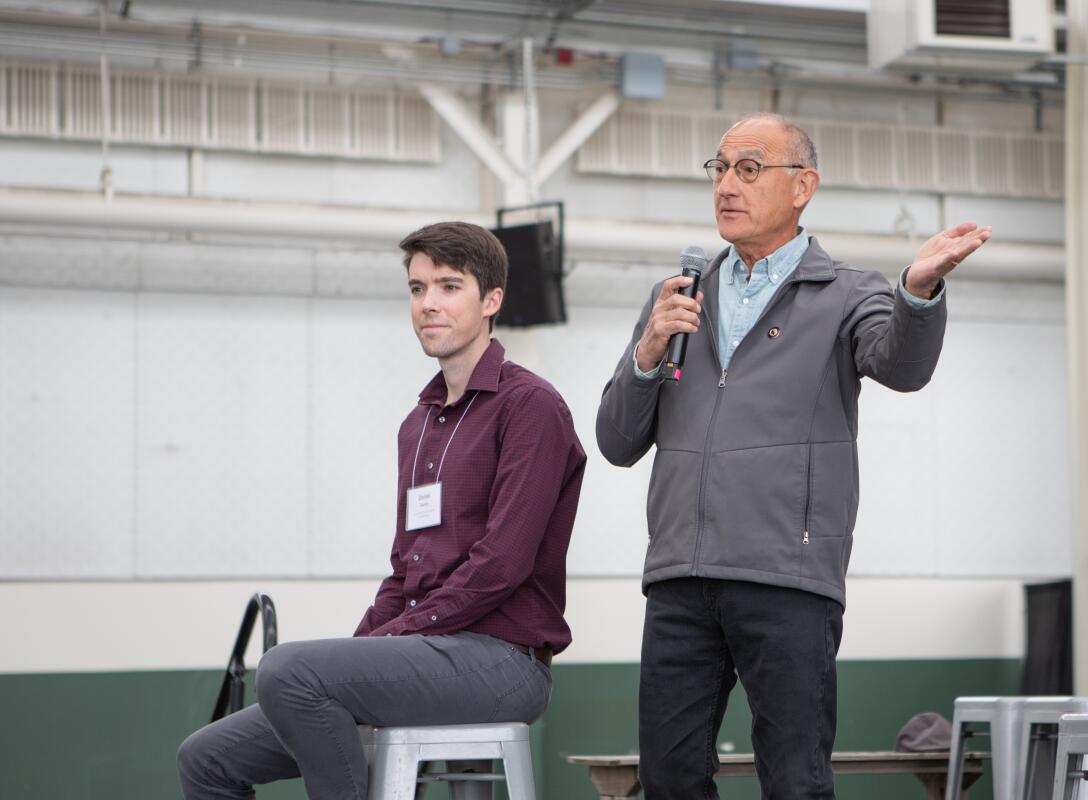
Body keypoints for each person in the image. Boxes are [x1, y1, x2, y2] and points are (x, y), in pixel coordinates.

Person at [595, 113, 991, 799]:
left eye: (748, 169)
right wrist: (647, 355)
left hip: (788, 577)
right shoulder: (678, 300)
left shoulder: (847, 293)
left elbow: (900, 366)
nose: (727, 185)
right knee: (669, 780)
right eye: (718, 168)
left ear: (803, 185)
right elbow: (616, 440)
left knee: (795, 779)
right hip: (680, 578)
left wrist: (918, 291)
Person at [179, 221, 586, 799]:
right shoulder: (417, 425)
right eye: (417, 289)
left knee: (286, 669)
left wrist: (392, 640)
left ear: (491, 300)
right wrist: (372, 642)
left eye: (449, 287)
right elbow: (405, 572)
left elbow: (502, 563)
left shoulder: (531, 407)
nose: (429, 304)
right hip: (426, 652)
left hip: (503, 661)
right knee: (207, 757)